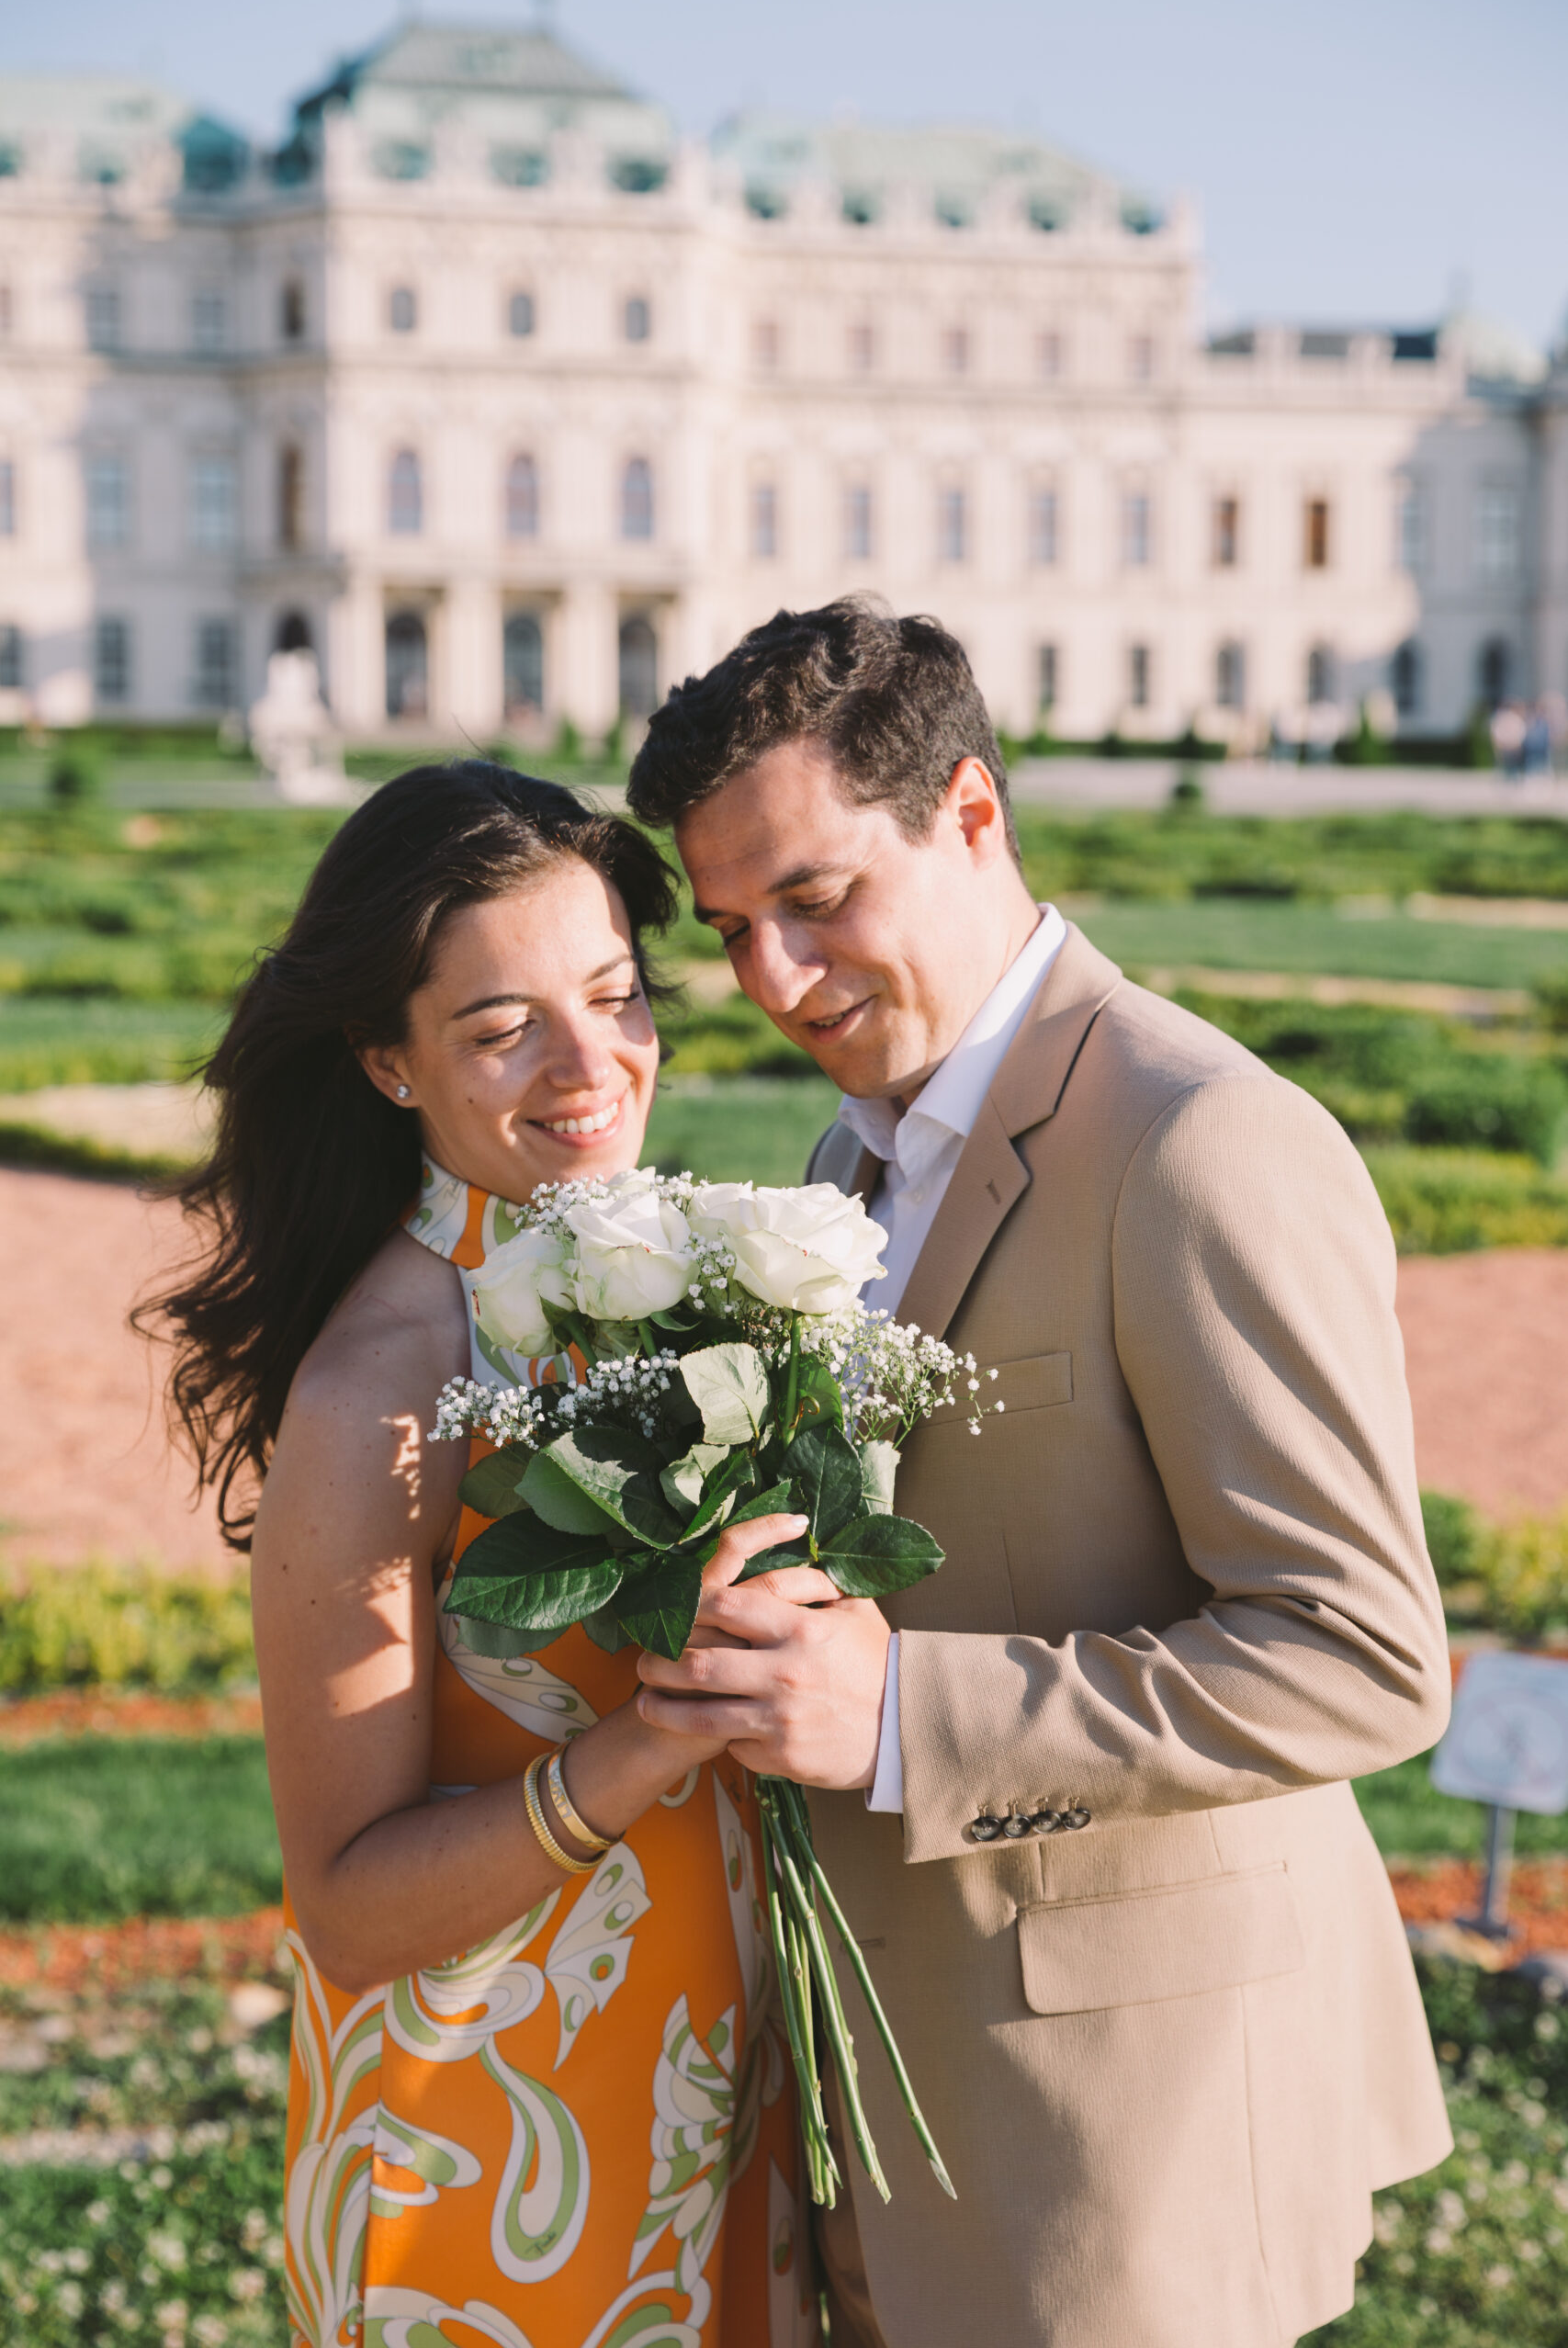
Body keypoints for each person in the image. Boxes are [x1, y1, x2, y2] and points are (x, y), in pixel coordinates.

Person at [626, 600, 1454, 2348]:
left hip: (1127, 2141)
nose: (770, 982)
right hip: (893, 2106)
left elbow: (1365, 1658)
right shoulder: (847, 1151)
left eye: (816, 899)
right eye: (729, 931)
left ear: (974, 813)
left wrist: (903, 1717)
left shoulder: (1202, 1139)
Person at [143, 762, 818, 2348]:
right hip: (487, 2140)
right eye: (502, 1025)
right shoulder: (381, 1381)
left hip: (705, 2086)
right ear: (390, 1062)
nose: (593, 1066)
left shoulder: (661, 1287)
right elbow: (352, 1910)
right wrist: (657, 1734)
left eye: (613, 995)